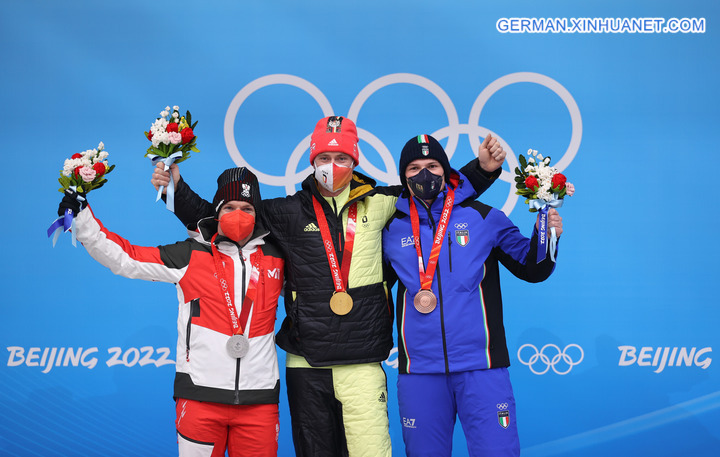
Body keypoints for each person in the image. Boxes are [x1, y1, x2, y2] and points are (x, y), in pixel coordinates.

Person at [151, 116, 506, 457]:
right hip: (307, 364)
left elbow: (434, 188)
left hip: (363, 360)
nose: (331, 165)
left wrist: (484, 168)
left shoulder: (382, 203)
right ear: (312, 160)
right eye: (323, 157)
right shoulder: (286, 212)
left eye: (340, 157)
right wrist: (176, 190)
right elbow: (227, 220)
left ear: (353, 160)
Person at [60, 167, 285, 457]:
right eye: (229, 207)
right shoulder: (191, 255)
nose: (238, 214)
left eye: (246, 208)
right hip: (199, 398)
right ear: (217, 211)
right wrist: (82, 218)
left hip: (260, 403)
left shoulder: (277, 258)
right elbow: (126, 259)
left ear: (257, 214)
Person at [381, 135, 563, 457]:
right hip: (420, 371)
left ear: (447, 171)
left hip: (482, 368)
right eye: (414, 167)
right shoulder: (391, 228)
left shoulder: (483, 217)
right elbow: (373, 287)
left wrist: (546, 234)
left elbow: (532, 268)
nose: (425, 174)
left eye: (433, 166)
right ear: (402, 176)